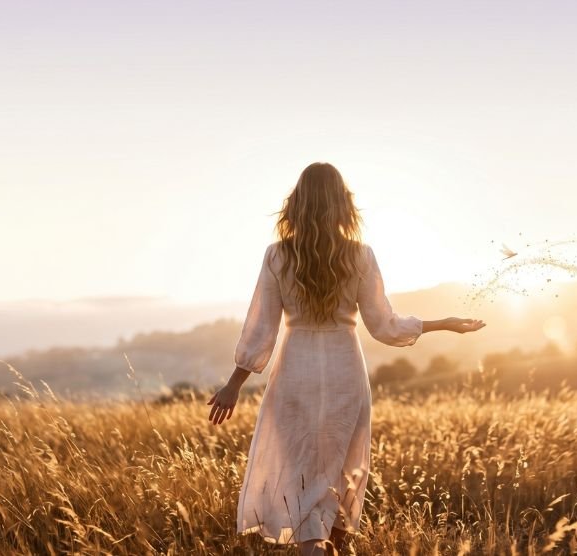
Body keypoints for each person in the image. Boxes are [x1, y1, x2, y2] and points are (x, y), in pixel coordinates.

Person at [207, 162, 486, 555]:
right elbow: (384, 325)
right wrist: (443, 322)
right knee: (341, 473)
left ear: (297, 202)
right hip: (345, 369)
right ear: (343, 203)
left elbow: (260, 330)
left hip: (295, 371)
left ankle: (314, 547)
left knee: (303, 476)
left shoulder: (277, 256)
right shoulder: (359, 255)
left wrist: (233, 384)